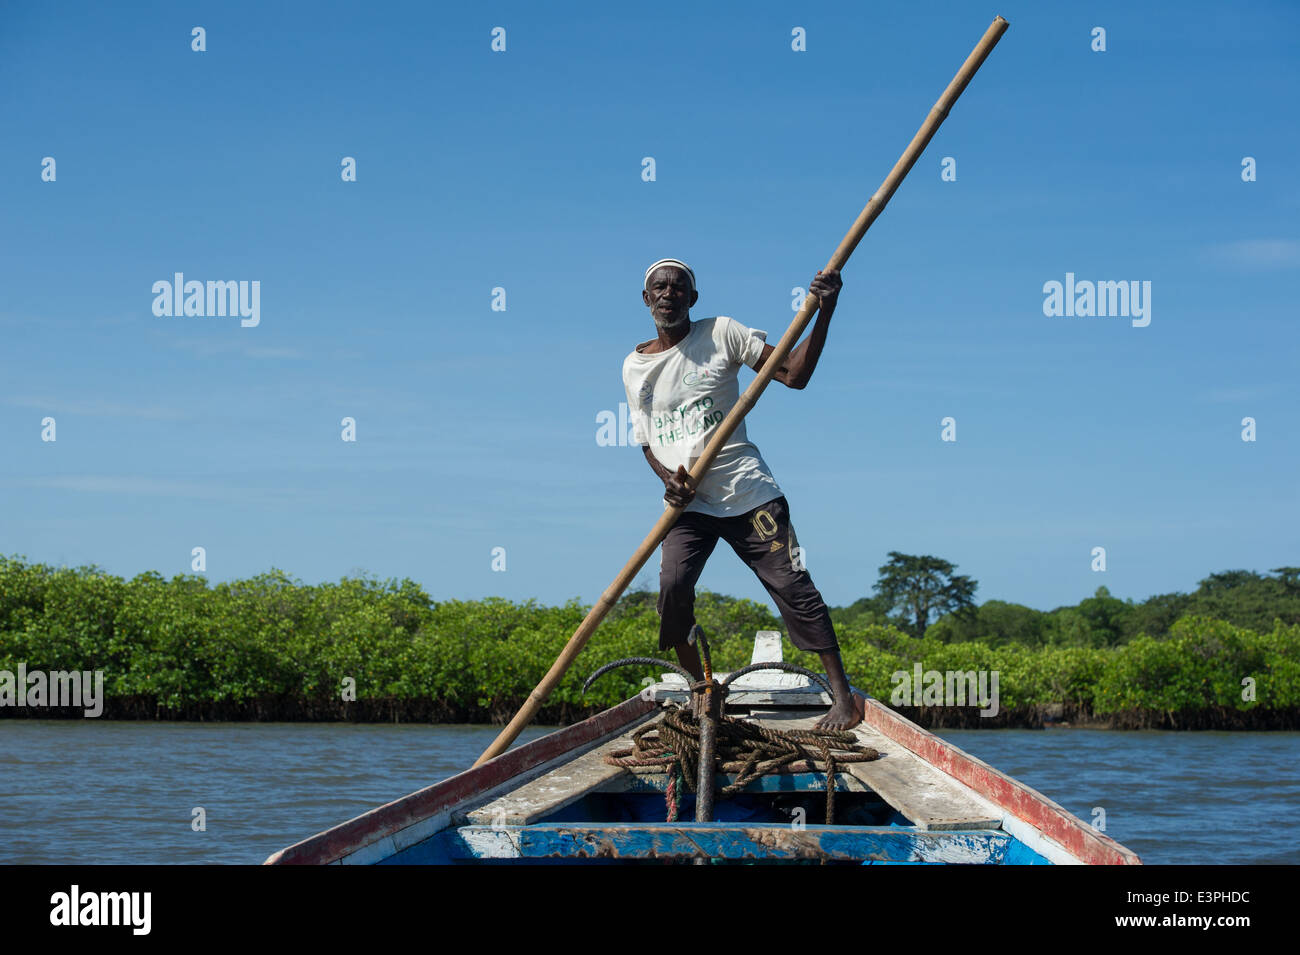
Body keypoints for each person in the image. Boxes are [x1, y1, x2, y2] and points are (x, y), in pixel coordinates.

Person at [621, 257, 860, 730]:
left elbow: (794, 373)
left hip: (748, 493)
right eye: (659, 288)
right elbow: (647, 441)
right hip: (688, 505)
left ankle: (843, 698)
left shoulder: (722, 333)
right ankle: (699, 690)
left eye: (678, 288)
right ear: (646, 300)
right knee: (672, 588)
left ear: (692, 298)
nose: (668, 294)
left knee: (793, 585)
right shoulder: (635, 366)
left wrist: (825, 310)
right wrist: (666, 479)